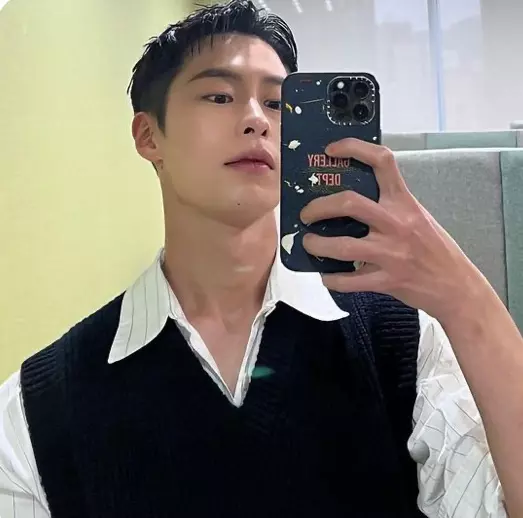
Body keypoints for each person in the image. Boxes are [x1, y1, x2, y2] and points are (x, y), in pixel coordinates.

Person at [0, 1, 522, 516]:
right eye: (219, 95)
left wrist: (465, 300)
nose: (256, 120)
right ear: (148, 135)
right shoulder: (38, 407)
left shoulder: (402, 340)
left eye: (277, 103)